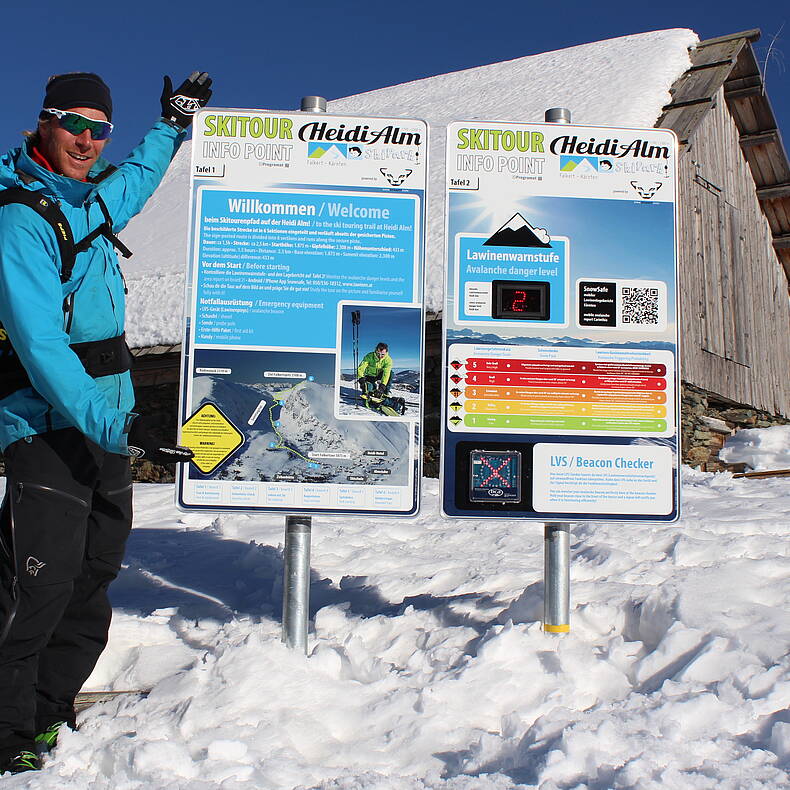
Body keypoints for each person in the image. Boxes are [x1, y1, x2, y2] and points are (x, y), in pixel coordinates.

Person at [0, 70, 212, 774]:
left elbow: (140, 179)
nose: (88, 140)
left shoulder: (87, 204)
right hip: (45, 426)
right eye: (75, 124)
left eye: (101, 129)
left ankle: (51, 712)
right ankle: (6, 733)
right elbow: (40, 346)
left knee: (92, 574)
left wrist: (172, 124)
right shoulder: (19, 220)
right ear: (42, 122)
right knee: (37, 585)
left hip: (105, 423)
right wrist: (113, 423)